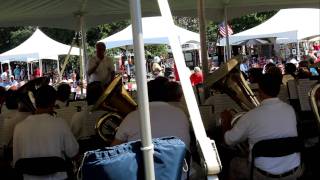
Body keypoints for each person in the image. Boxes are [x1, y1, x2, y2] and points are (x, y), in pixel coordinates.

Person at [220, 73, 302, 180]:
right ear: (278, 90)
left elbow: (228, 140)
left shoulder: (250, 116)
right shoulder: (290, 110)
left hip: (263, 175)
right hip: (294, 171)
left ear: (260, 91)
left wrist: (226, 122)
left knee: (233, 163)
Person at [13, 85, 79, 180]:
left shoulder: (18, 127)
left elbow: (16, 162)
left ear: (35, 101)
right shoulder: (60, 123)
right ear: (53, 102)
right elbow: (73, 153)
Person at [112, 77, 190, 148]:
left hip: (141, 162)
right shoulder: (180, 113)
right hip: (179, 161)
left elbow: (114, 148)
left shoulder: (132, 117)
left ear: (145, 96)